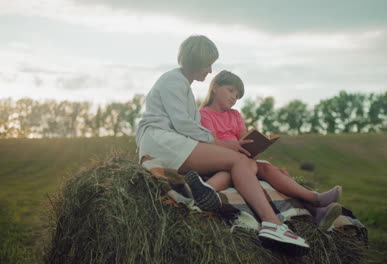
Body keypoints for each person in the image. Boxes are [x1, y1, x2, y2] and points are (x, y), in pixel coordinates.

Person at [135, 35, 310, 253]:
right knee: (237, 160)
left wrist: (222, 146)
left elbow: (191, 127)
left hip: (173, 142)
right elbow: (183, 125)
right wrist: (221, 144)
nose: (209, 70)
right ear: (195, 60)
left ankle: (204, 191)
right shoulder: (173, 81)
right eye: (207, 64)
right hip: (162, 141)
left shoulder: (184, 86)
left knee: (240, 161)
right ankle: (272, 223)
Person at [199, 70, 343, 230]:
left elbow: (245, 138)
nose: (234, 97)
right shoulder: (205, 114)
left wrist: (255, 145)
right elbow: (211, 142)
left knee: (273, 170)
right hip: (221, 161)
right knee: (268, 170)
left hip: (242, 159)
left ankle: (316, 207)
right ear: (215, 87)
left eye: (238, 95)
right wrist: (235, 149)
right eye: (231, 91)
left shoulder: (235, 115)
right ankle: (315, 203)